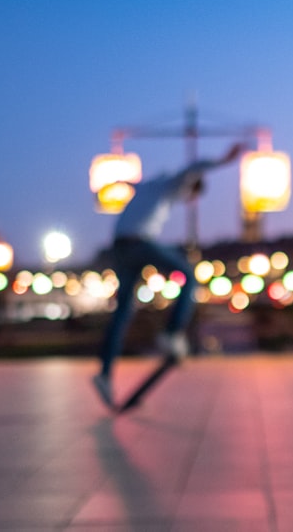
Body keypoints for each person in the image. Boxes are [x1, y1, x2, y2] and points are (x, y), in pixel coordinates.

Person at [93, 143, 243, 407]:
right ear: (192, 188)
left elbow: (129, 183)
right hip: (139, 243)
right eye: (191, 197)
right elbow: (193, 168)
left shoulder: (150, 185)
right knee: (189, 275)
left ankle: (105, 375)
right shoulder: (175, 184)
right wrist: (224, 159)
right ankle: (171, 333)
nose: (187, 201)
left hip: (118, 245)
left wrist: (114, 182)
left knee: (123, 312)